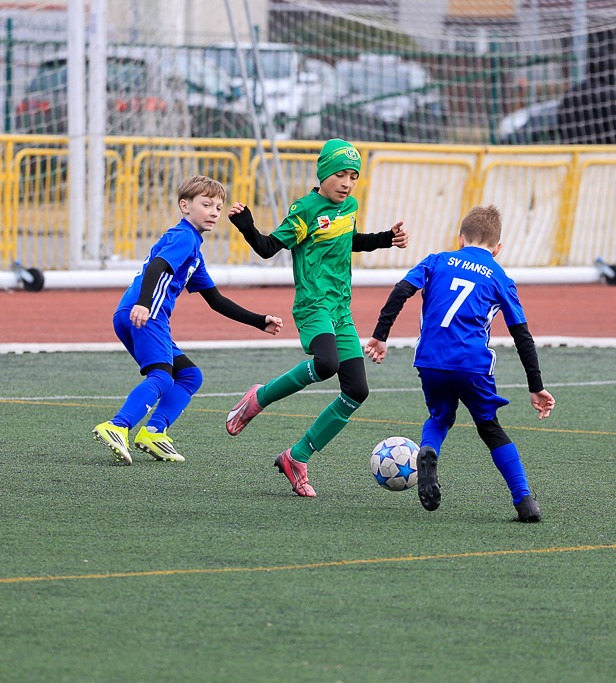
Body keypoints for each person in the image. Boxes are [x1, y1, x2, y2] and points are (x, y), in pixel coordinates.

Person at [224, 138, 408, 496]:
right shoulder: (305, 209)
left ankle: (297, 456)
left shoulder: (349, 205)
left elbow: (349, 240)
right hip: (313, 305)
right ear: (323, 173)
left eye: (353, 176)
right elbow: (266, 248)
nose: (347, 182)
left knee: (357, 390)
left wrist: (387, 238)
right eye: (340, 174)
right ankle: (259, 397)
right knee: (326, 364)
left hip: (341, 308)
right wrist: (246, 225)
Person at [363, 205, 555, 522]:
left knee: (439, 417)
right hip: (472, 364)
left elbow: (401, 291)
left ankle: (428, 451)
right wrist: (536, 386)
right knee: (490, 428)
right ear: (498, 248)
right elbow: (523, 336)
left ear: (460, 239)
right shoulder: (499, 276)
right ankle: (524, 502)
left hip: (430, 360)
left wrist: (380, 335)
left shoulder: (437, 260)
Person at [92, 175, 284, 465]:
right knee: (161, 375)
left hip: (137, 313)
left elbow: (216, 300)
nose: (213, 212)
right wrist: (144, 304)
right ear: (185, 206)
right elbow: (157, 266)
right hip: (147, 314)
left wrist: (259, 321)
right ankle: (117, 426)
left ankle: (154, 432)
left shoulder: (194, 249)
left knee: (190, 376)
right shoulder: (183, 237)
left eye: (218, 208)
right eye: (206, 204)